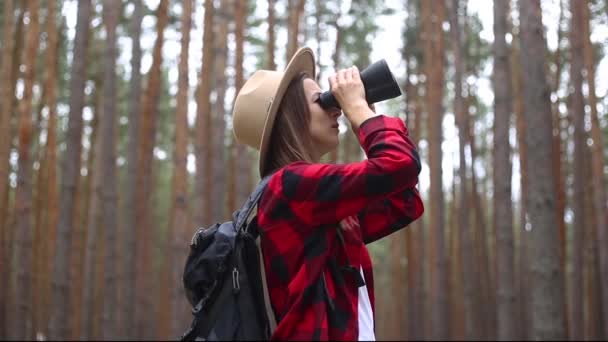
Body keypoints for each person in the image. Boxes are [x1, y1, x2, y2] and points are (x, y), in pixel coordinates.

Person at [232, 47, 424, 341]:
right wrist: (357, 110)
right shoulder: (290, 187)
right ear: (290, 118)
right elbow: (398, 164)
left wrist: (366, 111)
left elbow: (404, 203)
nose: (335, 108)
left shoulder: (313, 199)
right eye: (320, 100)